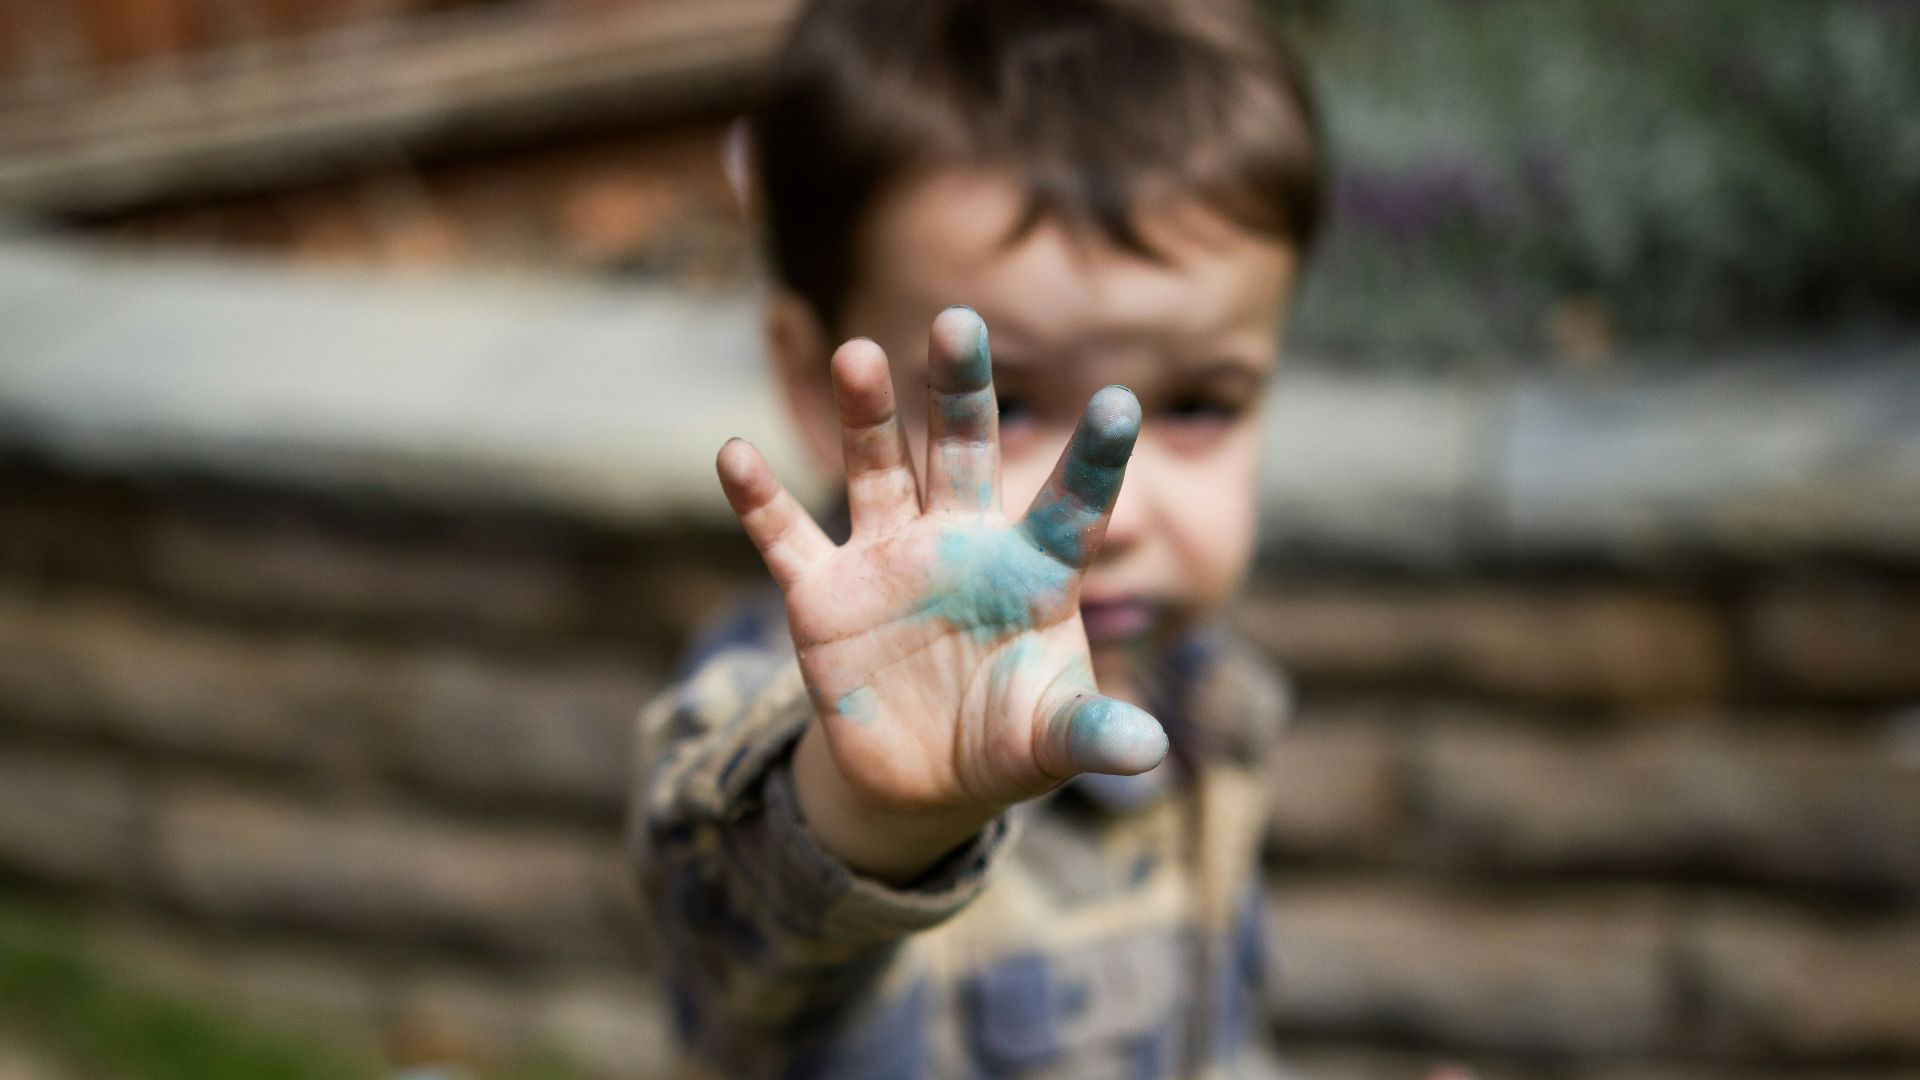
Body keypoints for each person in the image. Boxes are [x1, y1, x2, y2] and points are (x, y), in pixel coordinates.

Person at [630, 0, 1324, 1075]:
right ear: (817, 386)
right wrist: (872, 807)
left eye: (1197, 404)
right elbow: (729, 932)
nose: (1122, 511)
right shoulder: (783, 700)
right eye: (1014, 404)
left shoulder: (1205, 695)